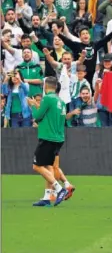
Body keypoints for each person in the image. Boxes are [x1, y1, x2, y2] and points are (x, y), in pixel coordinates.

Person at [29, 76, 68, 207]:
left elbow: (37, 117)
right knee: (48, 166)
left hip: (47, 138)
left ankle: (59, 189)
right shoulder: (60, 101)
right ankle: (47, 197)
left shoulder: (47, 98)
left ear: (45, 86)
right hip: (58, 137)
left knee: (37, 166)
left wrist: (33, 106)